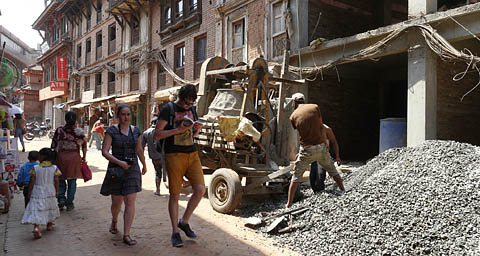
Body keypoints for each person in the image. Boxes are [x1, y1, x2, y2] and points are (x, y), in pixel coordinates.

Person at [154, 84, 205, 247]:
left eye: (191, 104)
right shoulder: (168, 109)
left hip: (192, 153)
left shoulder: (192, 109)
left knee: (200, 189)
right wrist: (177, 130)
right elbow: (157, 135)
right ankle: (175, 231)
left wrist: (196, 129)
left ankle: (184, 221)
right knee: (175, 195)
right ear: (179, 98)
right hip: (173, 155)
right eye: (185, 103)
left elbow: (193, 134)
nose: (188, 106)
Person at [286, 93, 345, 208]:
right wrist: (324, 144)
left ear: (294, 102)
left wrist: (301, 151)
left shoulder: (293, 116)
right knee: (333, 171)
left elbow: (301, 132)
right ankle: (343, 191)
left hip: (307, 149)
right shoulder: (315, 107)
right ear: (304, 100)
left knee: (296, 177)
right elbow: (320, 127)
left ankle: (288, 204)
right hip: (321, 147)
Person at [100, 104, 147, 246]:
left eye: (128, 114)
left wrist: (144, 164)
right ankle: (114, 221)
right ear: (117, 116)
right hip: (116, 169)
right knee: (116, 202)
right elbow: (105, 151)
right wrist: (120, 163)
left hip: (132, 169)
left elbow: (139, 150)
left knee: (130, 201)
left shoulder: (136, 131)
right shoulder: (111, 131)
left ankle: (127, 234)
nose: (126, 117)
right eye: (123, 114)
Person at [21, 148, 61, 239]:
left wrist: (29, 192)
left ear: (43, 156)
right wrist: (57, 191)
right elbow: (56, 181)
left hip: (37, 190)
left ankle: (36, 227)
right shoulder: (54, 168)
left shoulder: (36, 168)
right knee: (49, 205)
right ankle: (49, 224)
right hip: (50, 190)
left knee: (37, 208)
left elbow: (31, 181)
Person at [51, 111, 87, 211]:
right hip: (74, 158)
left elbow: (53, 145)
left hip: (61, 157)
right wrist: (84, 157)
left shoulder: (59, 130)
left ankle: (61, 199)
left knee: (61, 180)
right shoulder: (79, 131)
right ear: (76, 120)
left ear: (65, 119)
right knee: (72, 181)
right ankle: (70, 203)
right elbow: (84, 146)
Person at [310, 124, 341, 192]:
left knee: (320, 175)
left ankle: (321, 192)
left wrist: (337, 157)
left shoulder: (327, 129)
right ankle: (316, 192)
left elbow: (334, 142)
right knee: (312, 178)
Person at [141, 116, 167, 196]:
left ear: (151, 123)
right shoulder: (162, 131)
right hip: (163, 156)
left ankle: (158, 190)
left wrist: (142, 159)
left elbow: (141, 147)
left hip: (154, 157)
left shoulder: (146, 133)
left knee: (157, 173)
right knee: (169, 172)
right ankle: (173, 190)